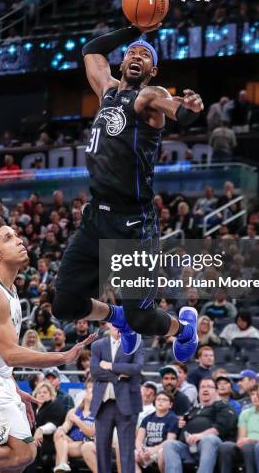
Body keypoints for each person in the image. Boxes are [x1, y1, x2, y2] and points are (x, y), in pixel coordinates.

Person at [52, 23, 204, 362]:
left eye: (145, 56)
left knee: (144, 318)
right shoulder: (106, 88)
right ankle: (115, 317)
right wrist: (134, 29)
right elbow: (91, 49)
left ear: (153, 70)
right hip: (96, 219)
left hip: (133, 225)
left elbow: (174, 109)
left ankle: (185, 328)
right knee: (65, 304)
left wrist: (188, 109)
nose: (137, 56)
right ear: (122, 64)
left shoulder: (149, 97)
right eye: (132, 53)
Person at [0, 217, 96, 473]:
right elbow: (10, 353)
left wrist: (12, 387)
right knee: (22, 452)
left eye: (17, 235)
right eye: (8, 238)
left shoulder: (10, 290)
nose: (19, 240)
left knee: (18, 461)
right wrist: (62, 357)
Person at [90, 324, 144, 473]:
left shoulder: (136, 343)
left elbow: (136, 368)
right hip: (103, 405)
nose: (118, 326)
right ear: (108, 324)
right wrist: (119, 375)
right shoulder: (97, 345)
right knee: (101, 450)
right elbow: (95, 371)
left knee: (127, 451)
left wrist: (110, 366)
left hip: (128, 404)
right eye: (115, 323)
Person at [160, 377, 237, 473]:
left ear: (216, 391)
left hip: (212, 446)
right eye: (202, 387)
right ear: (198, 391)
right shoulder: (192, 410)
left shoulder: (222, 406)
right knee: (169, 444)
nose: (205, 389)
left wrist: (200, 435)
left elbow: (221, 427)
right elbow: (179, 431)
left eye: (209, 387)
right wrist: (180, 426)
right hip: (190, 448)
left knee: (209, 439)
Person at [219, 386, 259, 473]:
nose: (255, 397)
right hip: (244, 447)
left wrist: (251, 440)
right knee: (226, 446)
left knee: (249, 446)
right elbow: (241, 438)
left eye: (258, 394)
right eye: (252, 394)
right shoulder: (245, 413)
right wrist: (242, 441)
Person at [52, 380, 96, 473]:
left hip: (87, 443)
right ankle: (63, 464)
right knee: (59, 436)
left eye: (92, 392)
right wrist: (61, 429)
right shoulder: (73, 411)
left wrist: (78, 421)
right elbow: (66, 426)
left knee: (60, 450)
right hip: (73, 442)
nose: (88, 393)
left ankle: (62, 465)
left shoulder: (99, 413)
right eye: (87, 391)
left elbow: (91, 432)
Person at [135, 391, 179, 471]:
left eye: (164, 400)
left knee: (162, 453)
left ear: (170, 405)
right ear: (154, 402)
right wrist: (141, 451)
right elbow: (138, 439)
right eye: (158, 399)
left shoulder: (173, 419)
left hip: (161, 449)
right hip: (147, 450)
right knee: (130, 456)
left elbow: (169, 441)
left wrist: (152, 451)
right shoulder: (147, 418)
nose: (161, 401)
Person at [32, 380, 66, 467]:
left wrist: (41, 429)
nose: (41, 394)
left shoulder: (55, 405)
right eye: (39, 392)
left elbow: (53, 425)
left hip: (49, 441)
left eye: (45, 392)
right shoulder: (31, 407)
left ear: (51, 395)